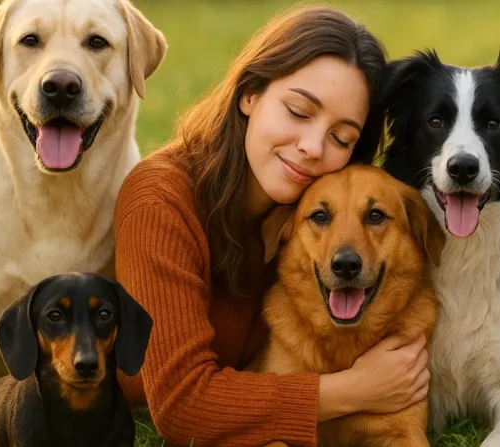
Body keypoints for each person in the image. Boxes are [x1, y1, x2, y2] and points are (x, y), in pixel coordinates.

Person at [112, 5, 430, 447]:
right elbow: (181, 404)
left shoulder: (318, 207)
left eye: (341, 137)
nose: (312, 147)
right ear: (250, 93)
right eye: (298, 111)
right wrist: (354, 389)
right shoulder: (159, 200)